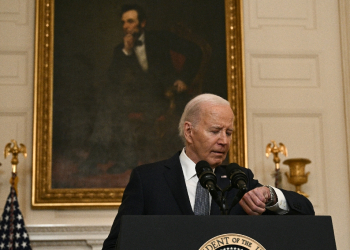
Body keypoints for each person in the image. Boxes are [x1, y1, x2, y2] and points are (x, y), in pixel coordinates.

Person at [102, 93, 315, 250]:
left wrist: (270, 195)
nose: (224, 141)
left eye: (229, 132)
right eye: (215, 131)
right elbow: (115, 245)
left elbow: (305, 212)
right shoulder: (148, 179)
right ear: (189, 131)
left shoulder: (239, 179)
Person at [82, 4, 203, 176]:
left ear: (143, 23)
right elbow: (113, 81)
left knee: (112, 104)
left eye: (130, 21)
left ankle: (117, 158)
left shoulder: (161, 38)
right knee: (110, 102)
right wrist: (126, 52)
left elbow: (195, 51)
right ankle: (102, 156)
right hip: (138, 98)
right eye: (123, 22)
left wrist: (183, 78)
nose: (126, 26)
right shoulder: (121, 49)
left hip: (164, 96)